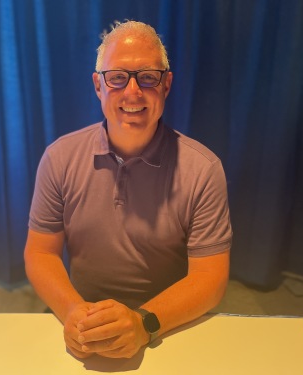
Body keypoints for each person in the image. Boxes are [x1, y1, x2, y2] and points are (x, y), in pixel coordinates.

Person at [24, 20, 232, 359]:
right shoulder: (59, 157)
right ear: (98, 86)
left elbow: (210, 277)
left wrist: (143, 322)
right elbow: (40, 252)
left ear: (166, 84)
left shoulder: (203, 170)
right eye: (117, 77)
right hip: (81, 325)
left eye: (148, 77)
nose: (132, 92)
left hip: (166, 326)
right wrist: (73, 312)